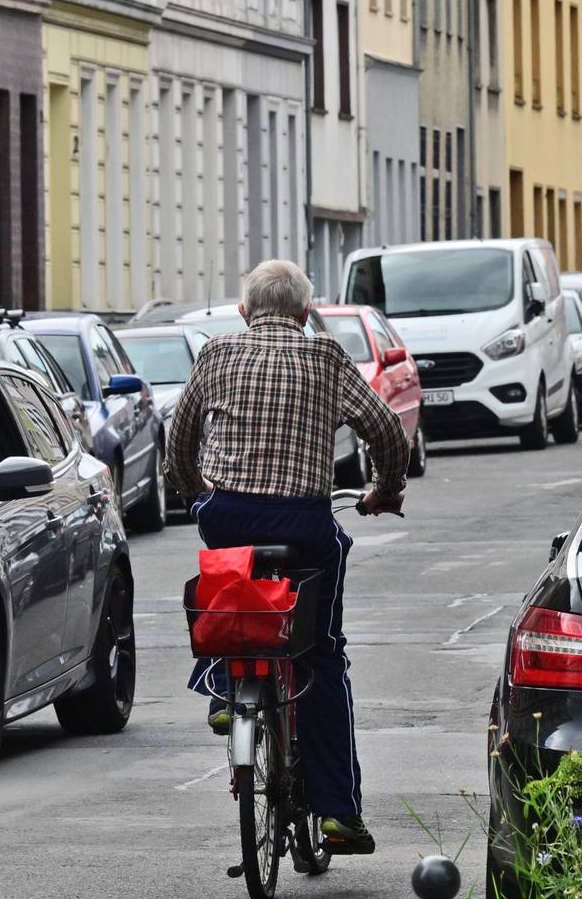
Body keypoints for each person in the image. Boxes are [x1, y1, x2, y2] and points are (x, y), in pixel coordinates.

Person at [164, 259, 409, 856]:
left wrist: (197, 493)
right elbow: (386, 431)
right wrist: (385, 488)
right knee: (322, 654)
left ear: (245, 312)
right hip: (303, 522)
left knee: (233, 593)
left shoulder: (218, 354)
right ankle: (337, 813)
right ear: (305, 314)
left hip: (228, 517)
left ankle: (225, 688)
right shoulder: (325, 356)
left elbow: (180, 437)